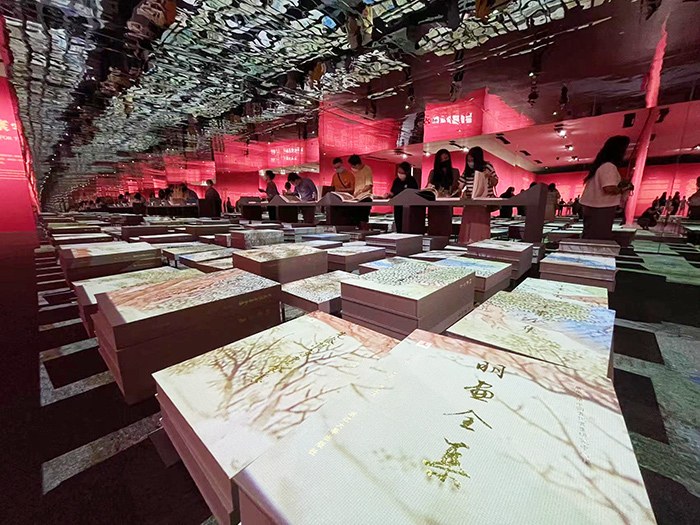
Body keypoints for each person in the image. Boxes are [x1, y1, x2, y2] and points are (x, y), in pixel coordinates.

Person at [580, 135, 631, 240]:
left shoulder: (603, 166)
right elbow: (609, 188)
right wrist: (625, 188)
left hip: (596, 207)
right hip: (601, 208)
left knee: (592, 236)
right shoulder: (608, 166)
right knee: (598, 238)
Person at [457, 147, 497, 244]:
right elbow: (459, 185)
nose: (470, 162)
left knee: (480, 231)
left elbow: (495, 182)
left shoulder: (487, 167)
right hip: (470, 205)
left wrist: (489, 176)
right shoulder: (467, 171)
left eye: (472, 160)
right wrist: (460, 191)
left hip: (483, 205)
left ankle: (480, 248)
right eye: (468, 160)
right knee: (467, 231)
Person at [385, 162, 418, 233]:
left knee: (407, 225)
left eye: (401, 172)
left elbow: (414, 194)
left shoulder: (411, 181)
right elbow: (393, 192)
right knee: (398, 224)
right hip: (397, 206)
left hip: (408, 207)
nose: (400, 174)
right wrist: (389, 195)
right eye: (399, 172)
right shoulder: (396, 181)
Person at [349, 154, 373, 228]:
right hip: (355, 199)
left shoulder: (367, 170)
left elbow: (369, 185)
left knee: (363, 220)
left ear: (358, 164)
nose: (353, 168)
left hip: (365, 198)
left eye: (354, 166)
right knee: (354, 220)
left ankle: (363, 232)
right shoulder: (352, 172)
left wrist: (360, 191)